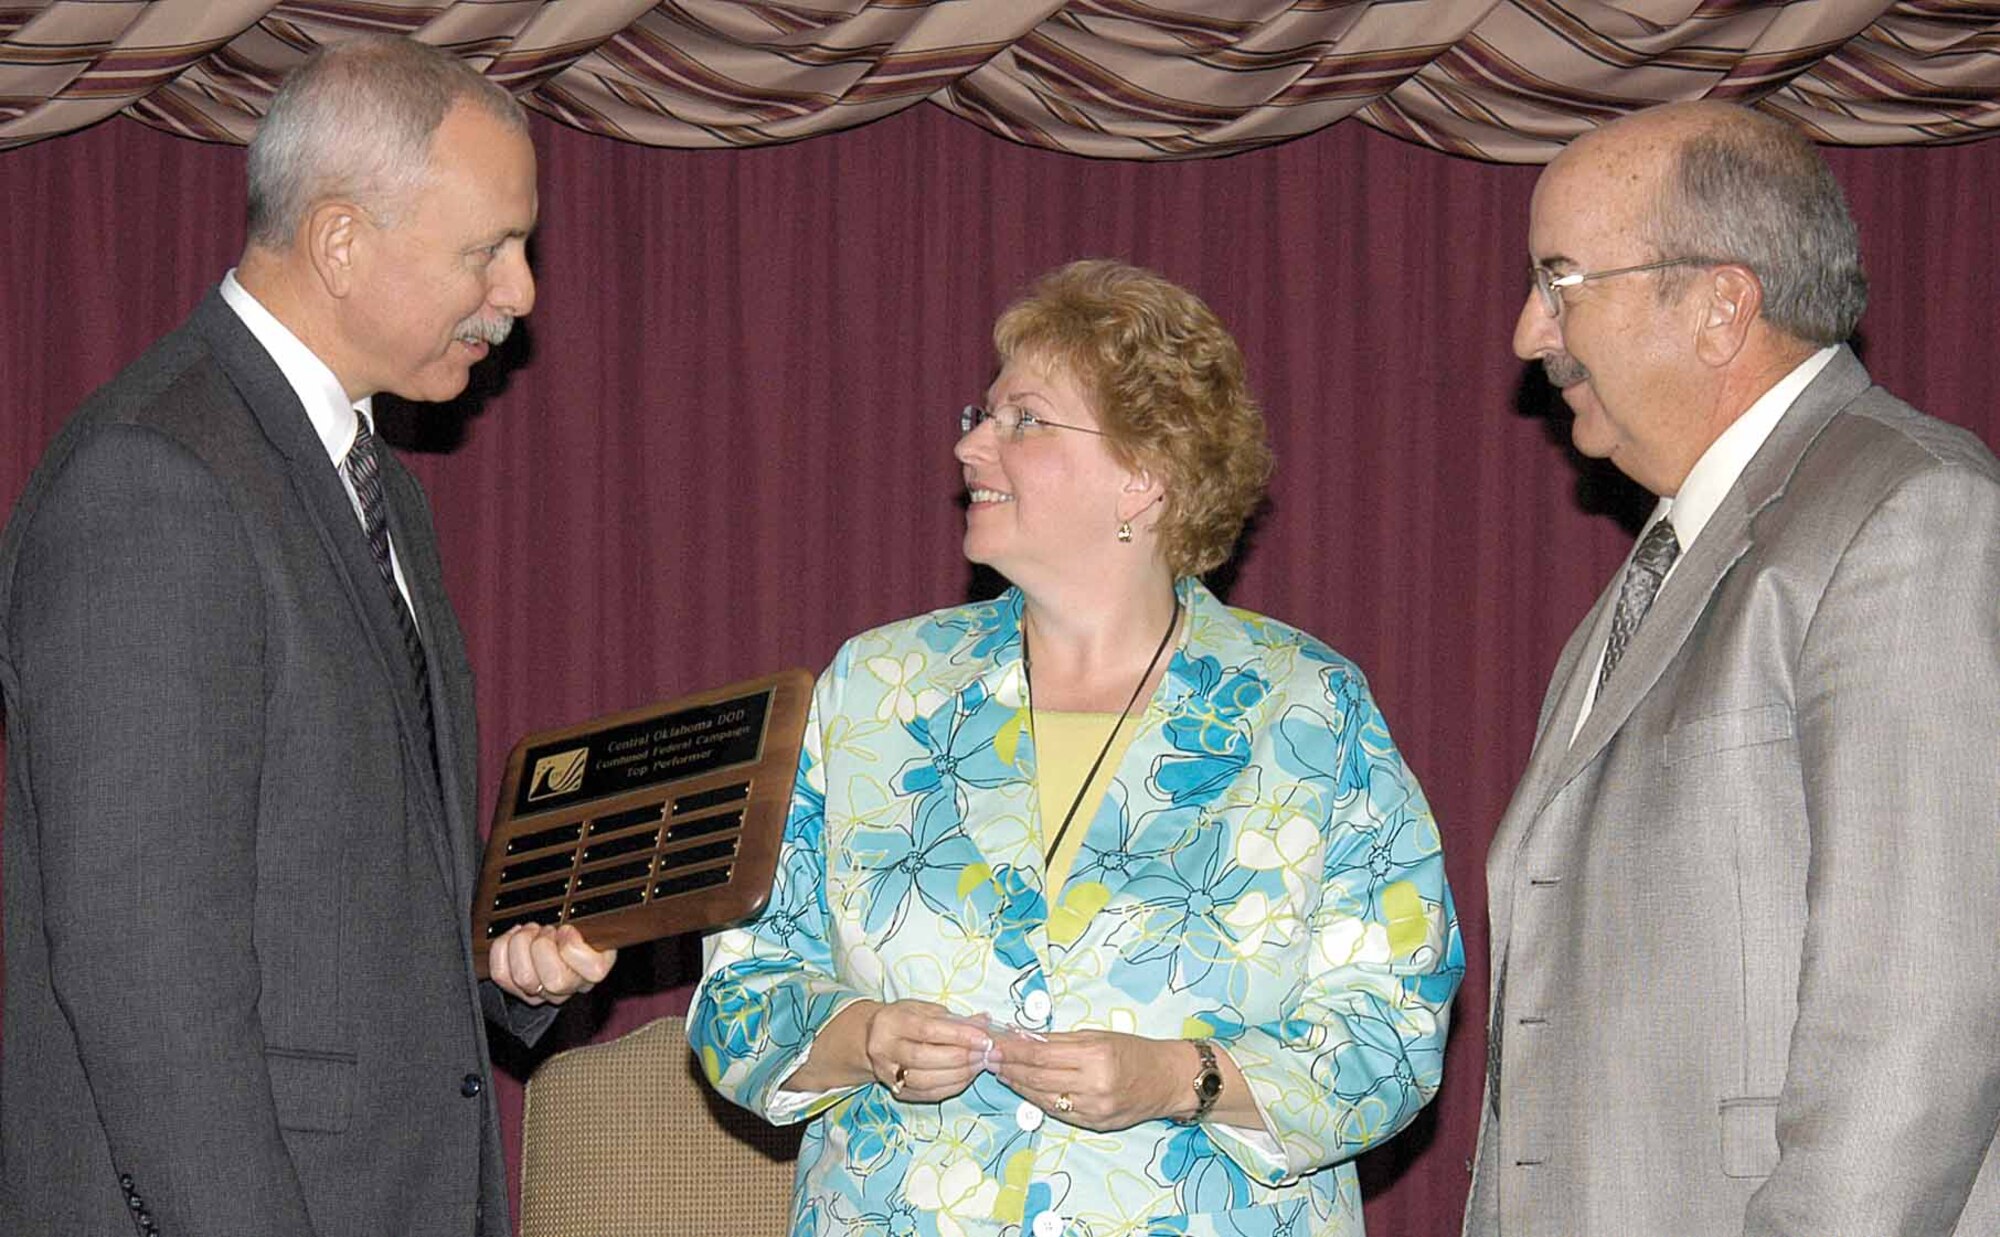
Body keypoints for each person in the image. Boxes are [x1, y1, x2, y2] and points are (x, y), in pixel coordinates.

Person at [692, 259, 1462, 1237]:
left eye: (1025, 419)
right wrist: (865, 1035)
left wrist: (1180, 1077)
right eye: (982, 414)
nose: (970, 445)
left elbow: (1392, 1024)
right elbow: (742, 984)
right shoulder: (873, 690)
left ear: (1144, 475)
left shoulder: (1307, 709)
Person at [0, 36, 614, 1237]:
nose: (520, 293)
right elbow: (143, 972)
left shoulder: (371, 483)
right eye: (487, 250)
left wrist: (502, 953)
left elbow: (346, 877)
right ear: (340, 241)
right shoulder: (156, 479)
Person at [1467, 101, 2000, 1235]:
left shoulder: (1911, 512)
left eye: (1560, 281)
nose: (1527, 331)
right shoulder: (1664, 561)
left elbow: (1917, 1011)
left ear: (1720, 305)